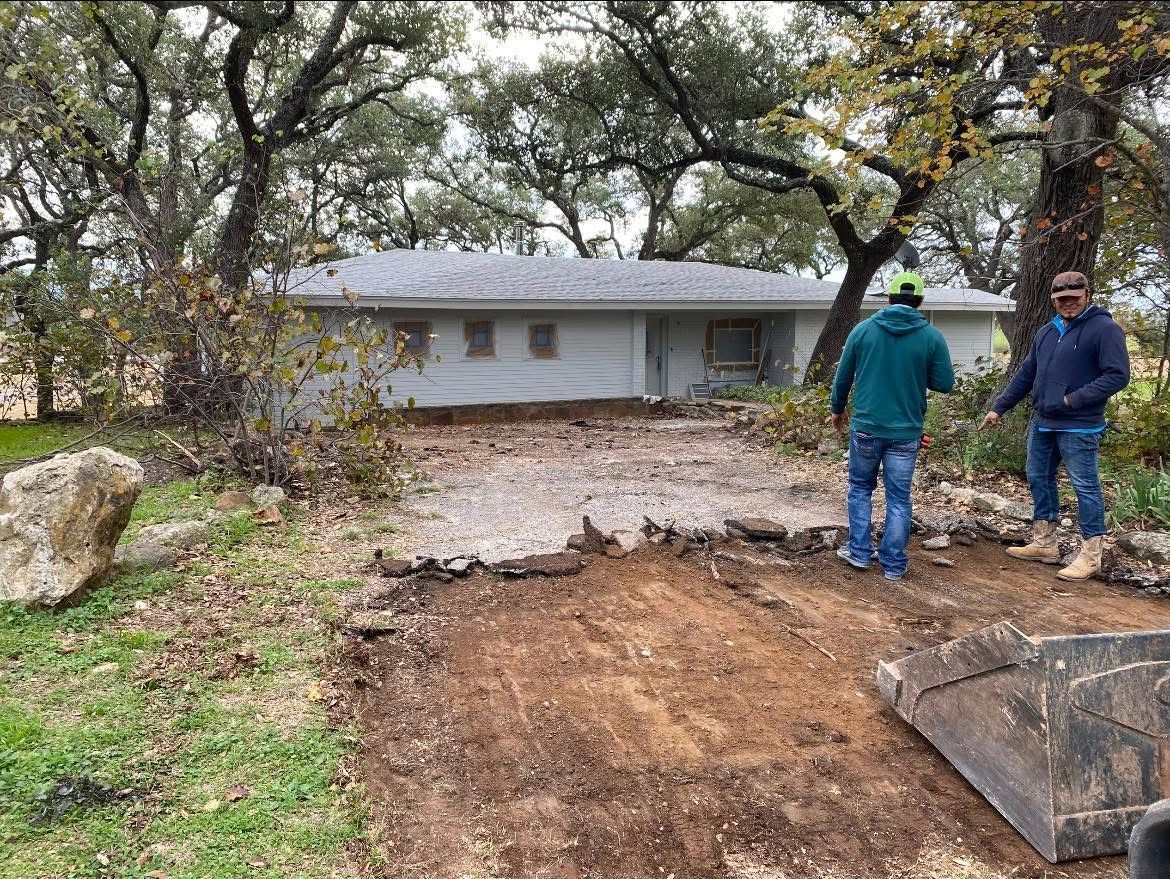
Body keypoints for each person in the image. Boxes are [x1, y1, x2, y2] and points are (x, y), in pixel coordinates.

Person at [981, 270, 1130, 581]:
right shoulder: (1047, 332)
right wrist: (999, 408)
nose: (1068, 304)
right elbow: (1025, 374)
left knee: (1085, 487)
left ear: (1087, 295)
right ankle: (1045, 543)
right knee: (1038, 477)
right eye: (1062, 299)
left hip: (1079, 425)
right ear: (1053, 299)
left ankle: (1091, 555)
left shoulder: (1105, 329)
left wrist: (1071, 401)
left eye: (1074, 298)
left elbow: (1117, 375)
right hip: (1042, 422)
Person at [831, 271, 956, 581]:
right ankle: (894, 564)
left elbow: (843, 377)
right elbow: (945, 383)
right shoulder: (931, 336)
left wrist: (837, 409)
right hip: (906, 432)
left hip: (867, 428)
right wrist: (913, 372)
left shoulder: (863, 330)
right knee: (899, 497)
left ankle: (859, 553)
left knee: (860, 488)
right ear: (920, 301)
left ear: (888, 299)